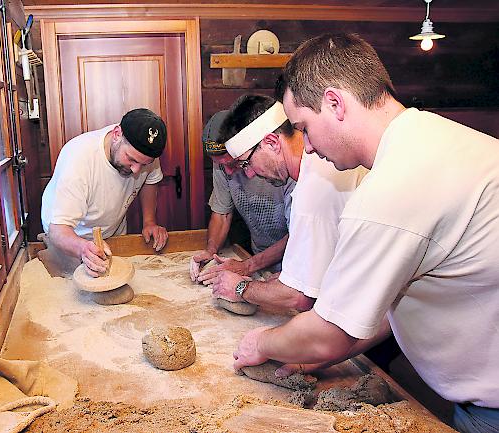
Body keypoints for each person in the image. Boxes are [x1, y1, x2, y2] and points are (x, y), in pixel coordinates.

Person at [234, 33, 499, 433]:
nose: (305, 147)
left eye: (304, 127)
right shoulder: (435, 137)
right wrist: (324, 348)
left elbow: (328, 333)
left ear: (335, 103)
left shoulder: (393, 188)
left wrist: (260, 343)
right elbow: (386, 309)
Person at [207, 93, 367, 314]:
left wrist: (240, 287)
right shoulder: (316, 166)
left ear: (271, 143)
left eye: (246, 164)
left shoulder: (312, 187)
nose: (250, 174)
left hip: (364, 306)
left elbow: (300, 298)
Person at [41, 108, 169, 277]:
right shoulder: (78, 158)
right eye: (131, 159)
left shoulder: (145, 152)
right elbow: (58, 230)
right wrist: (83, 248)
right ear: (117, 134)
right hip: (71, 239)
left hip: (112, 232)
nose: (136, 170)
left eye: (144, 164)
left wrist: (149, 221)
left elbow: (150, 181)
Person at [189, 109, 295, 284]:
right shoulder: (222, 166)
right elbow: (222, 214)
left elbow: (296, 234)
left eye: (233, 162)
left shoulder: (282, 168)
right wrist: (211, 250)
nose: (228, 171)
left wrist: (247, 266)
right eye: (221, 166)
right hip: (256, 258)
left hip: (296, 261)